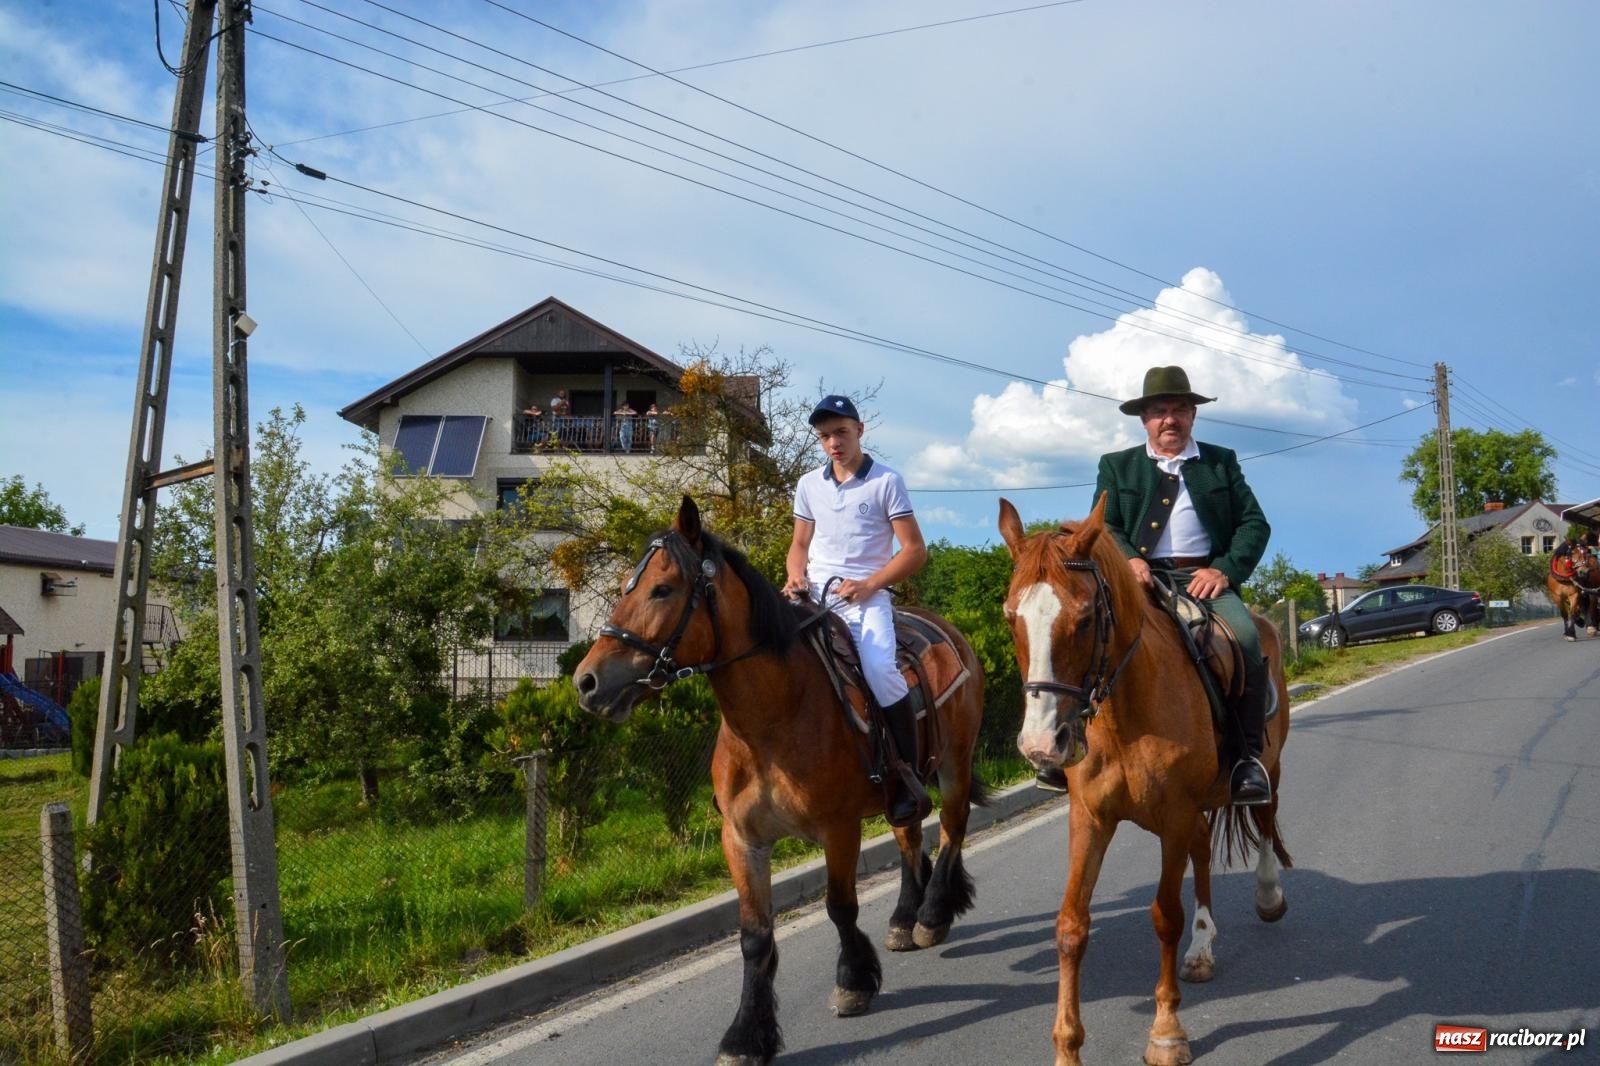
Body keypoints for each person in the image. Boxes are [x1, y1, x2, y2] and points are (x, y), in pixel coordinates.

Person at [1088, 365, 1274, 805]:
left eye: (1178, 410)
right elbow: (1105, 525)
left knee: (1246, 638)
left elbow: (1254, 524)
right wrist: (1129, 558)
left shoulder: (1220, 462)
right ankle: (1067, 747)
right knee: (1084, 634)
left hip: (1202, 580)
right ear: (1144, 419)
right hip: (1139, 579)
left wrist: (1223, 570)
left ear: (1193, 415)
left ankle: (1247, 759)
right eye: (1159, 411)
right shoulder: (1117, 466)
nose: (1169, 419)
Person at [784, 394, 931, 826]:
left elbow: (915, 551)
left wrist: (870, 585)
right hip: (813, 596)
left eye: (841, 432)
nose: (833, 442)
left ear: (859, 431)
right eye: (825, 436)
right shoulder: (809, 484)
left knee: (881, 671)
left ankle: (906, 776)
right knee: (764, 650)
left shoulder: (886, 482)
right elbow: (799, 545)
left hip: (867, 598)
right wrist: (794, 576)